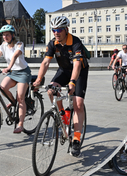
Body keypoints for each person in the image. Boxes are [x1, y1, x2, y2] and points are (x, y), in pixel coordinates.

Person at [33, 16, 90, 157]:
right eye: (53, 30)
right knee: (50, 91)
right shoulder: (53, 43)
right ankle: (63, 115)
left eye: (59, 30)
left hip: (79, 71)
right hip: (64, 70)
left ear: (66, 30)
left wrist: (72, 82)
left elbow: (77, 65)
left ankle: (76, 138)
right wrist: (39, 79)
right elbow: (45, 63)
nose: (56, 33)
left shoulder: (75, 42)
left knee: (78, 103)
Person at [0, 25, 32, 134]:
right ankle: (14, 103)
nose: (5, 37)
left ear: (13, 35)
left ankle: (20, 124)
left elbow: (14, 56)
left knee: (21, 98)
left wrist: (9, 67)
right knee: (3, 87)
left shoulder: (19, 44)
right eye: (3, 35)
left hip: (23, 72)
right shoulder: (3, 45)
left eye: (7, 34)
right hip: (13, 72)